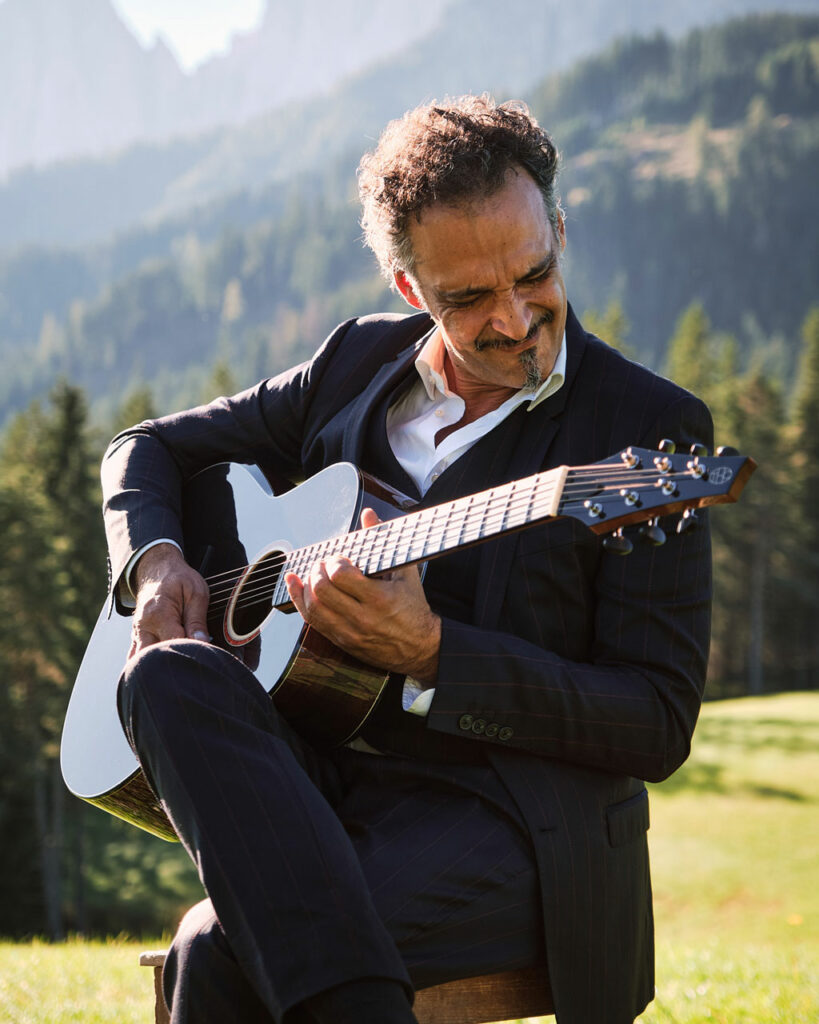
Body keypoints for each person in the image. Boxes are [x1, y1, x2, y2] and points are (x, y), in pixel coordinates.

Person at [102, 95, 713, 1024]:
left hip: (511, 827)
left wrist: (433, 654)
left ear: (557, 227)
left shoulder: (643, 434)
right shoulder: (354, 364)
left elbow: (656, 719)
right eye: (468, 298)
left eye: (535, 274)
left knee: (216, 951)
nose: (514, 321)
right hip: (315, 792)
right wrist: (156, 565)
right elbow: (144, 446)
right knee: (165, 678)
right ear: (407, 288)